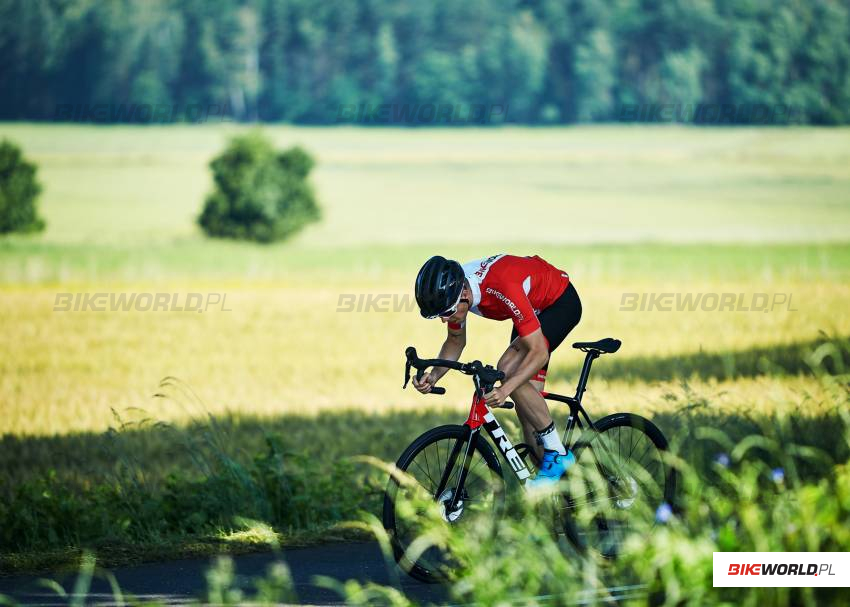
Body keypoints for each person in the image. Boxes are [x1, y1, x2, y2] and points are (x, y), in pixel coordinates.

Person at [413, 254, 582, 488]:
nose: (445, 320)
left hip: (558, 302)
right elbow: (455, 342)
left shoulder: (501, 285)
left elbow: (539, 353)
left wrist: (505, 390)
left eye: (447, 313)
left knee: (508, 370)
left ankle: (559, 454)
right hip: (529, 310)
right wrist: (433, 375)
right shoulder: (454, 292)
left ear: (463, 294)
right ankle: (562, 494)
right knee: (529, 419)